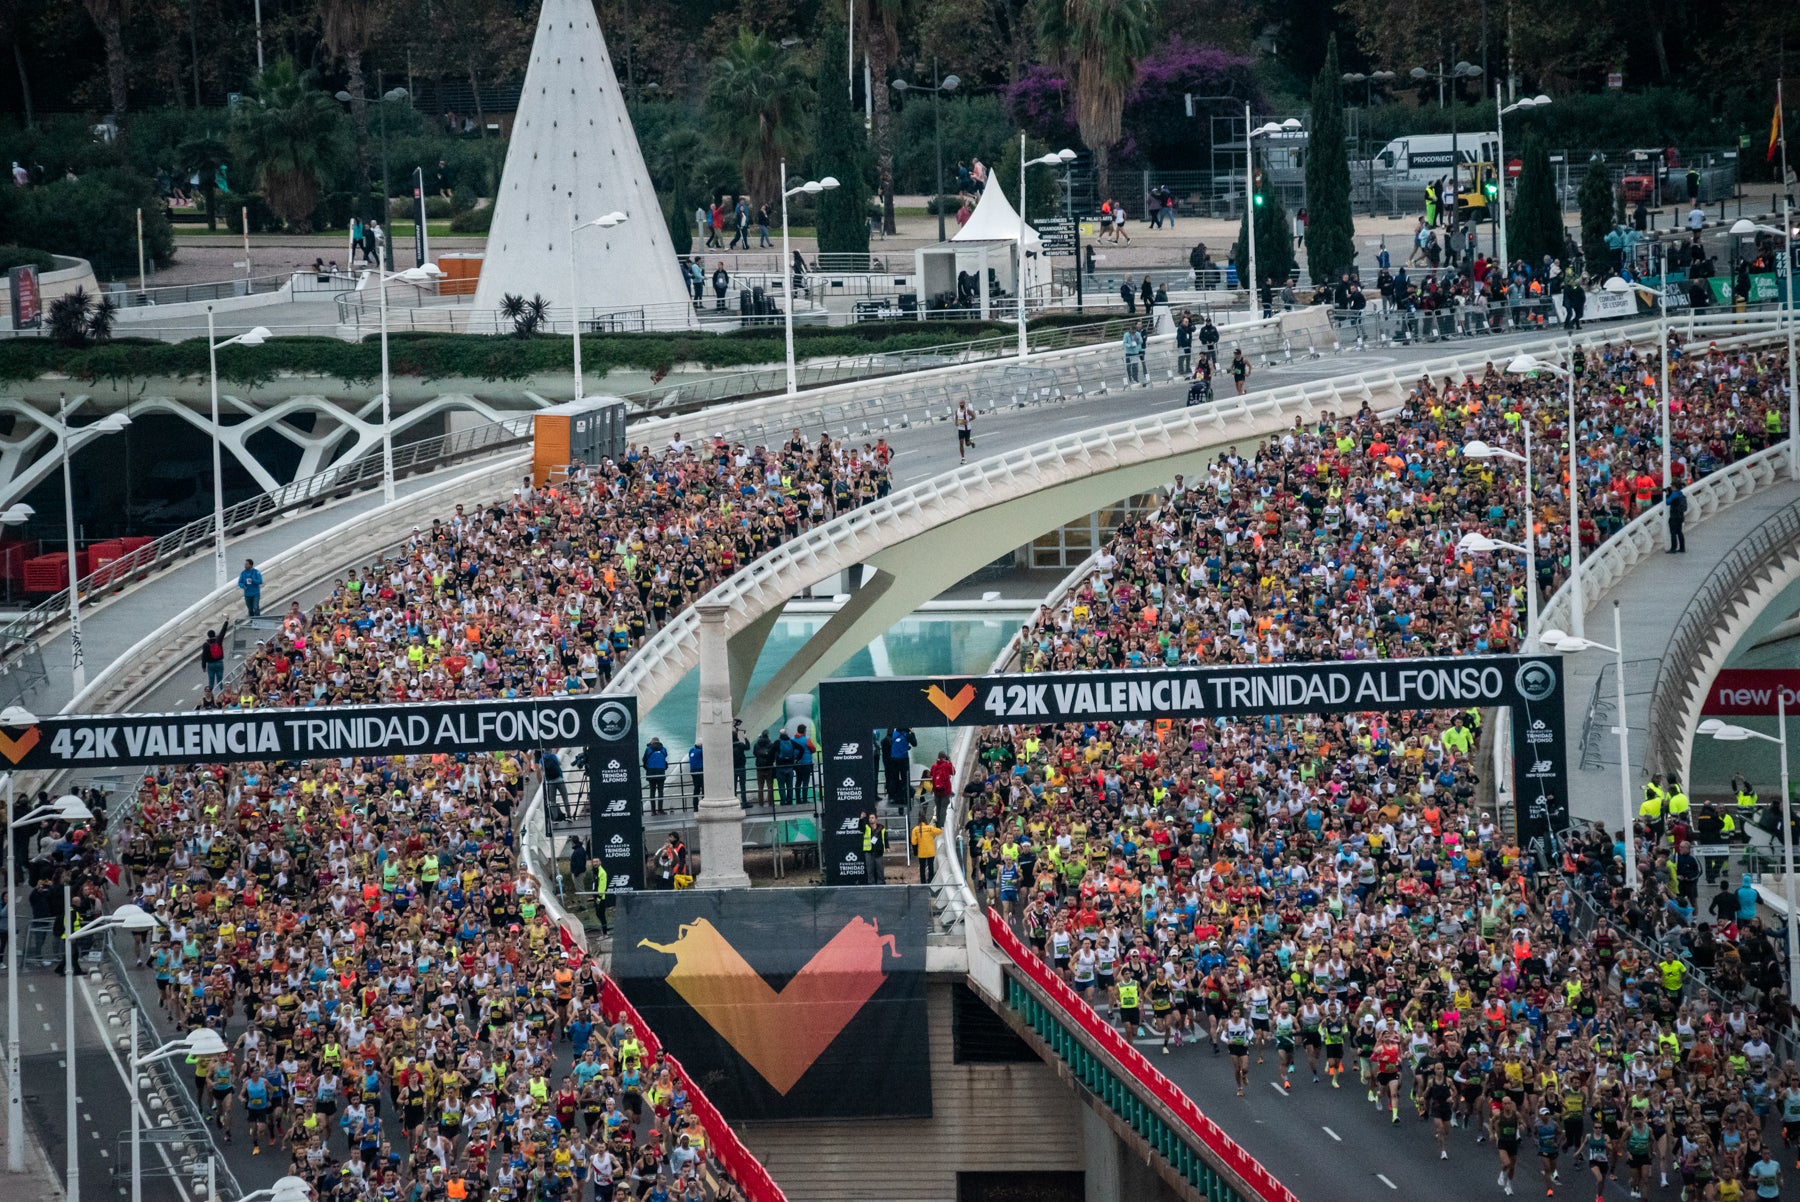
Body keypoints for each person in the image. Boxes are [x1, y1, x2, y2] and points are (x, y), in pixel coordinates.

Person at [884, 727, 916, 803]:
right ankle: (905, 796)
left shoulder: (893, 734)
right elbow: (915, 744)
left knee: (894, 779)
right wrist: (913, 733)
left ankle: (893, 797)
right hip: (903, 759)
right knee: (905, 779)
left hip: (893, 759)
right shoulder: (907, 735)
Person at [910, 813, 941, 883]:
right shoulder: (930, 828)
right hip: (930, 852)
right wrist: (937, 824)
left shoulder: (915, 829)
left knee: (922, 868)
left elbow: (913, 842)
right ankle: (931, 880)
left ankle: (923, 882)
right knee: (931, 867)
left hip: (921, 852)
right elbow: (939, 831)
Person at [540, 748, 569, 821]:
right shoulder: (553, 756)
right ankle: (569, 815)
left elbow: (541, 768)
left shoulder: (542, 759)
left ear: (543, 751)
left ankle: (555, 818)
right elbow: (559, 763)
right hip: (559, 780)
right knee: (565, 798)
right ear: (550, 750)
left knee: (552, 801)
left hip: (550, 782)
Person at [642, 737, 669, 814]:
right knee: (660, 791)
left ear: (652, 742)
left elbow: (644, 760)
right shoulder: (663, 749)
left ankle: (653, 811)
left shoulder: (648, 749)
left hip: (651, 772)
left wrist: (648, 769)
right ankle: (660, 809)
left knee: (652, 791)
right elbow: (665, 757)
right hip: (661, 772)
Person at [199, 623, 228, 690]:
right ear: (214, 634)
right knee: (220, 679)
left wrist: (204, 666)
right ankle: (221, 692)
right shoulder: (218, 640)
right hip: (219, 663)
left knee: (211, 680)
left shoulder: (206, 644)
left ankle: (211, 692)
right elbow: (223, 631)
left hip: (210, 664)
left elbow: (204, 656)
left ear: (208, 636)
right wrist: (226, 622)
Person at [732, 718, 750, 802]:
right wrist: (745, 738)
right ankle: (744, 801)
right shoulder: (741, 745)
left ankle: (734, 800)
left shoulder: (729, 746)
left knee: (734, 786)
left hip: (733, 768)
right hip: (741, 767)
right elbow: (748, 747)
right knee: (743, 786)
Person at [1666, 483, 1688, 552]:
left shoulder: (1674, 494)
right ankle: (1682, 548)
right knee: (1679, 532)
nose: (1671, 488)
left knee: (1673, 533)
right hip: (1680, 516)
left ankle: (1673, 548)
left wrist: (1667, 495)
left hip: (1674, 516)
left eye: (1672, 486)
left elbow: (1667, 502)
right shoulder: (1680, 493)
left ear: (1674, 487)